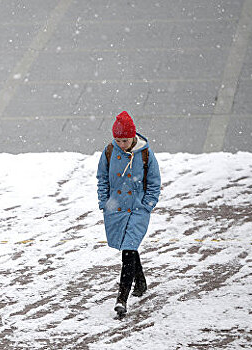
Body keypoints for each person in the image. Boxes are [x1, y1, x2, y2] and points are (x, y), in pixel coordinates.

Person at [96, 111, 161, 318]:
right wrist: (104, 202)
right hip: (116, 209)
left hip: (137, 209)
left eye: (124, 140)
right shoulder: (108, 151)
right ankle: (140, 283)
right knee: (128, 247)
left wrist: (147, 205)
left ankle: (121, 299)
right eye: (118, 140)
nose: (121, 144)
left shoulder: (145, 154)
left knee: (128, 250)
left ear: (133, 137)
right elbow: (102, 179)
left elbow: (154, 182)